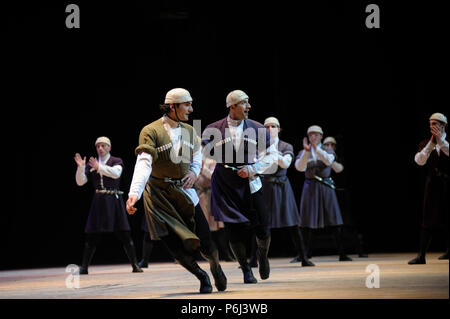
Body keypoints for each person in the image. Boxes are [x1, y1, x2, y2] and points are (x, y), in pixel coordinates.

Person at [126, 88, 227, 293]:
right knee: (175, 248)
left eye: (191, 104)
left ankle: (215, 267)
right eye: (187, 104)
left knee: (206, 242)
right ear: (173, 106)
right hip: (158, 196)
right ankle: (202, 275)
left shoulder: (190, 131)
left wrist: (194, 172)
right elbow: (144, 162)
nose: (191, 109)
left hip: (184, 191)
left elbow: (197, 153)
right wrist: (134, 193)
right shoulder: (151, 131)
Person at [202, 90, 277, 283]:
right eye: (244, 103)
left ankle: (262, 254)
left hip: (250, 183)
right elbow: (201, 154)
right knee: (234, 231)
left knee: (263, 230)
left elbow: (271, 156)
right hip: (226, 187)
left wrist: (253, 168)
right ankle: (246, 270)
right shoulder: (214, 129)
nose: (249, 106)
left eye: (248, 102)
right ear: (232, 106)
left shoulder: (258, 128)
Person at [74, 137, 143, 274]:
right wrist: (81, 168)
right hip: (99, 202)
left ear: (109, 147)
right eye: (98, 146)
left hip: (114, 201)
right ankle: (84, 267)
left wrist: (99, 167)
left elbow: (116, 173)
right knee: (92, 235)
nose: (100, 148)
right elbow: (81, 182)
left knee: (124, 234)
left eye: (103, 146)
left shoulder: (116, 161)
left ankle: (135, 265)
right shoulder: (91, 164)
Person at [258, 117, 314, 267]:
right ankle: (254, 259)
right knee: (260, 223)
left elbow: (286, 163)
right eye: (267, 126)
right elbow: (259, 167)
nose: (270, 129)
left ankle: (303, 257)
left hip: (282, 187)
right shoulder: (258, 148)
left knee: (292, 223)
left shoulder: (285, 146)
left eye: (273, 126)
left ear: (279, 129)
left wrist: (272, 152)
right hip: (265, 187)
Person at [295, 126, 352, 261]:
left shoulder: (328, 150)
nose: (313, 137)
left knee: (334, 220)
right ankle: (304, 254)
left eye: (316, 135)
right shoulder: (304, 151)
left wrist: (316, 149)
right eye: (310, 135)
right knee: (307, 221)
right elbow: (299, 167)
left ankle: (342, 253)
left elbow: (328, 160)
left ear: (321, 136)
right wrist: (307, 152)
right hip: (310, 187)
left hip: (325, 186)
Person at [409, 112, 449, 264]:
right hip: (433, 184)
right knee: (428, 218)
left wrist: (440, 141)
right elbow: (419, 161)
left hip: (447, 182)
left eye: (435, 124)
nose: (432, 127)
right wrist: (432, 143)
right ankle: (421, 255)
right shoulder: (426, 143)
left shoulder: (447, 142)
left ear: (443, 125)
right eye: (430, 124)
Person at [322, 136, 368, 258]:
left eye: (332, 145)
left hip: (341, 194)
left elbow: (340, 171)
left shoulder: (338, 159)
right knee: (327, 225)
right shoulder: (321, 160)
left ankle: (359, 250)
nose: (329, 147)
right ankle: (307, 254)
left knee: (348, 224)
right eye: (326, 145)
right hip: (328, 195)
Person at [194, 154, 235, 261]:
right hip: (200, 196)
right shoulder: (195, 160)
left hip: (211, 196)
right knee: (201, 226)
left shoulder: (213, 160)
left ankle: (226, 254)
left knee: (218, 226)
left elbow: (214, 176)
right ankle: (200, 254)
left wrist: (203, 168)